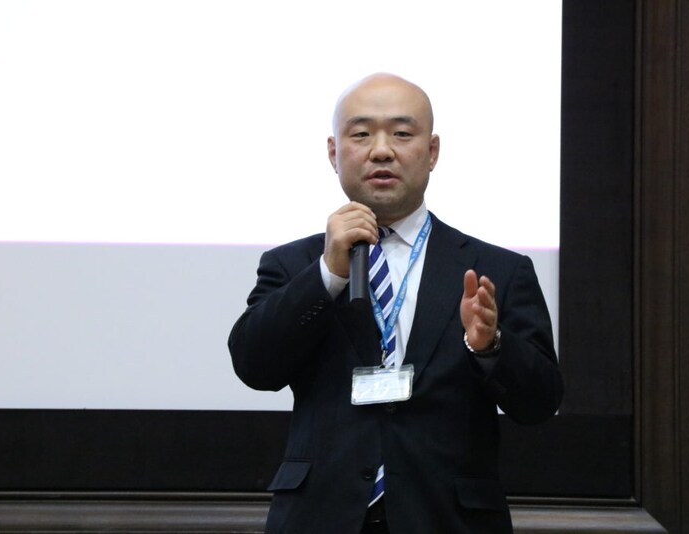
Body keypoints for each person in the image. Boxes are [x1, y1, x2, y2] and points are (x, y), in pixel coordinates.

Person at [228, 73, 563, 534]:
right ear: (333, 152)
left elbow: (541, 401)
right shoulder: (293, 265)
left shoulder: (497, 269)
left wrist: (490, 346)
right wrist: (327, 275)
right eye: (361, 134)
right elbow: (254, 366)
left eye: (402, 134)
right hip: (321, 517)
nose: (381, 150)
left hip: (449, 519)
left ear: (432, 151)